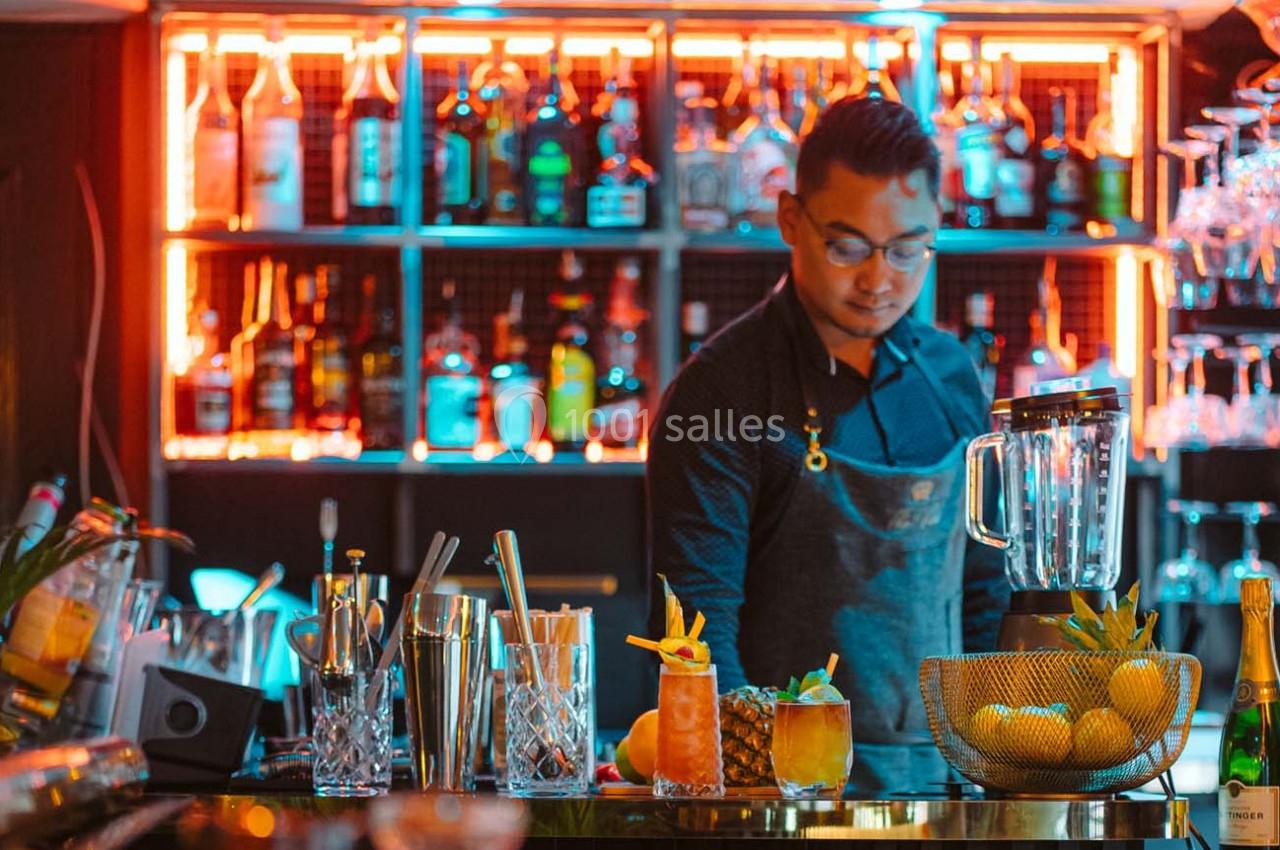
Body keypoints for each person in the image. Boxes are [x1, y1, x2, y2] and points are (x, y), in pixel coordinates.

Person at [647, 96, 1008, 794]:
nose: (879, 279)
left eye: (908, 250)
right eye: (848, 246)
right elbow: (697, 629)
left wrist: (998, 774)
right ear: (790, 218)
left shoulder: (952, 378)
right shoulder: (722, 390)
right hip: (782, 804)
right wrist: (757, 799)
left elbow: (985, 594)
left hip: (947, 794)